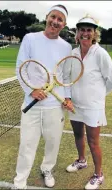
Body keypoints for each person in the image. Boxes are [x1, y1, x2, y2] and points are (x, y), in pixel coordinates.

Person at [14, 4, 73, 189]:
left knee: (53, 143)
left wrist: (67, 97)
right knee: (27, 145)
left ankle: (47, 169)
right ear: (47, 17)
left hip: (55, 107)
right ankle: (20, 181)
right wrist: (31, 91)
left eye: (60, 19)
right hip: (32, 103)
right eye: (53, 17)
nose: (55, 22)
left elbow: (66, 76)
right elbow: (20, 68)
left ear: (64, 24)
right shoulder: (30, 38)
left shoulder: (66, 46)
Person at [65, 15, 112, 190]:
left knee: (93, 142)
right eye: (82, 29)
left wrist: (98, 98)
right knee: (78, 135)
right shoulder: (72, 53)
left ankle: (98, 175)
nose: (85, 33)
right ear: (77, 33)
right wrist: (68, 98)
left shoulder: (100, 53)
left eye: (89, 30)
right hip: (75, 105)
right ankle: (81, 161)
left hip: (93, 107)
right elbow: (66, 78)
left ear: (94, 33)